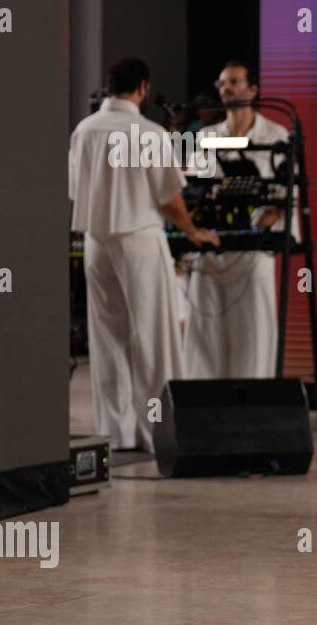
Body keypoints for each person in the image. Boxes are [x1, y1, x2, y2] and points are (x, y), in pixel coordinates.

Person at [68, 57, 219, 452]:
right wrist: (192, 230)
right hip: (139, 239)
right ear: (143, 89)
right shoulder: (147, 132)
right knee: (152, 338)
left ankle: (118, 433)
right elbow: (170, 199)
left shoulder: (84, 130)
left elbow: (74, 190)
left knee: (108, 340)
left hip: (96, 243)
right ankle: (159, 432)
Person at [183, 61, 291, 379]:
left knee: (253, 334)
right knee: (205, 335)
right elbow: (193, 190)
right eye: (221, 84)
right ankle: (207, 406)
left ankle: (253, 407)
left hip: (251, 251)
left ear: (252, 89)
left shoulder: (275, 134)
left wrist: (261, 226)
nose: (225, 89)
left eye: (232, 82)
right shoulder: (205, 136)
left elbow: (286, 196)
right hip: (211, 250)